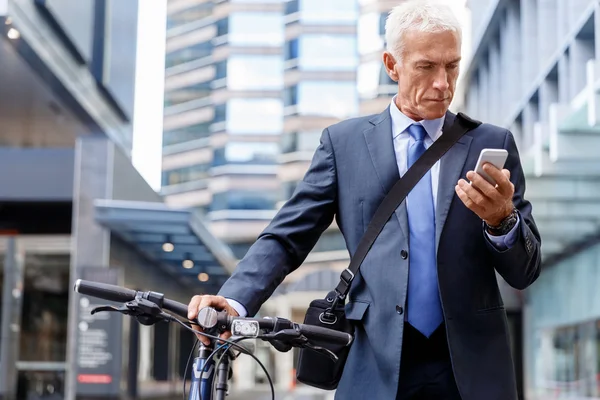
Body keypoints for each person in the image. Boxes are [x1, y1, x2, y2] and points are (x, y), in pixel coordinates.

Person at [188, 1, 542, 399]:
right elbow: (288, 237)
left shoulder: (493, 144)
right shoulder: (343, 145)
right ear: (392, 65)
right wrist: (235, 301)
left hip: (472, 369)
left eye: (452, 66)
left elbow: (525, 271)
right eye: (427, 67)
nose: (443, 83)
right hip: (376, 363)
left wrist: (503, 222)